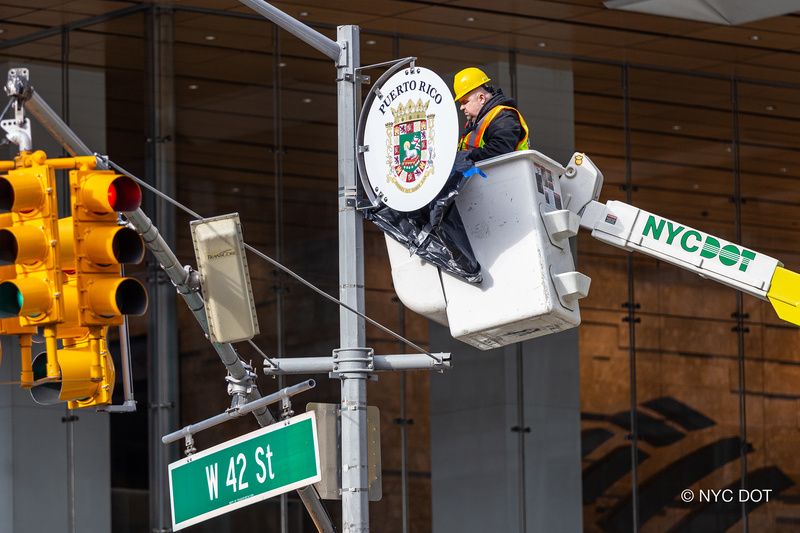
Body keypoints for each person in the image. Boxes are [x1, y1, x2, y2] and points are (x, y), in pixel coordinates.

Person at [453, 67, 530, 162]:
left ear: (481, 98)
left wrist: (467, 157)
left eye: (465, 102)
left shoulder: (504, 116)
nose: (461, 107)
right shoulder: (476, 123)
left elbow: (500, 149)